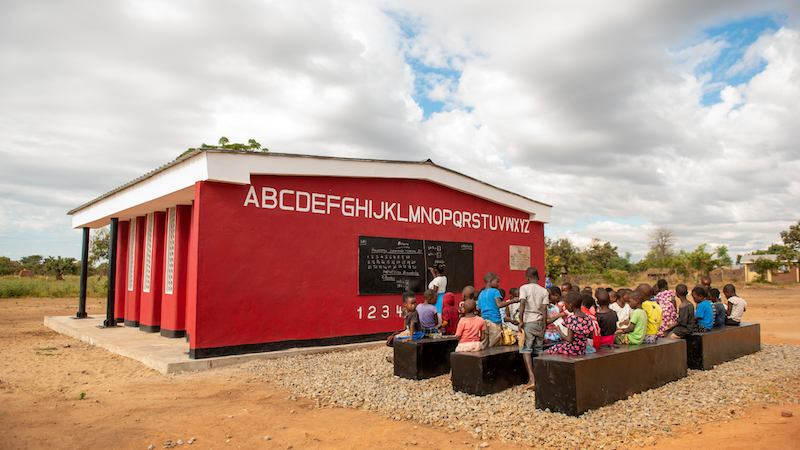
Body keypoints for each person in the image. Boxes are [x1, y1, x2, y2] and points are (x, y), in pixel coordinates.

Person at [517, 267, 549, 389]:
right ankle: (542, 376)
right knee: (539, 350)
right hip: (540, 322)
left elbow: (522, 303)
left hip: (528, 322)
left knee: (526, 350)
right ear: (539, 277)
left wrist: (520, 321)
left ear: (527, 278)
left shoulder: (524, 288)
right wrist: (544, 326)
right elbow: (544, 309)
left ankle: (532, 379)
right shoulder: (544, 291)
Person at [477, 272, 519, 348]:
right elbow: (499, 304)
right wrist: (513, 301)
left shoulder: (481, 294)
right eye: (497, 282)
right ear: (490, 281)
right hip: (494, 321)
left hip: (484, 321)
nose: (498, 284)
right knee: (494, 344)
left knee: (484, 343)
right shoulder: (495, 291)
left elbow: (480, 309)